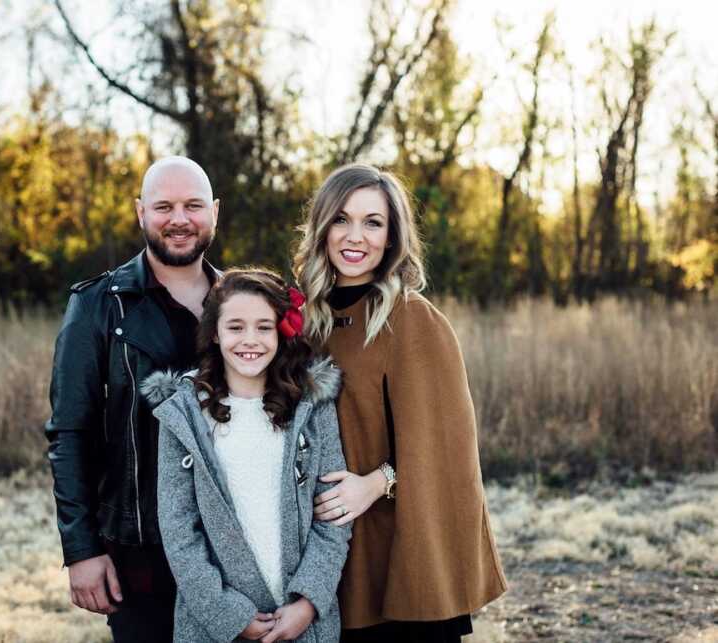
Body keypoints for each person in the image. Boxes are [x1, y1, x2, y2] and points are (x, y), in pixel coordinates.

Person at [292, 164, 507, 642]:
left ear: (391, 237)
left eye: (373, 222)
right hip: (327, 558)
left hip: (400, 558)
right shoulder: (304, 322)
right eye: (342, 219)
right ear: (322, 227)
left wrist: (377, 483)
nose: (355, 236)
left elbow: (448, 449)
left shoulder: (411, 319)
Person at [45, 156, 221, 642]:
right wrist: (81, 550)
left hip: (235, 546)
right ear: (141, 212)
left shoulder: (244, 304)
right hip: (142, 549)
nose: (179, 219)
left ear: (215, 213)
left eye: (193, 205)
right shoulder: (98, 305)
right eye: (164, 206)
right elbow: (69, 433)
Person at [140, 269, 352, 642]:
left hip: (303, 621)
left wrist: (308, 602)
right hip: (214, 624)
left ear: (281, 332)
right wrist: (228, 614)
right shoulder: (184, 415)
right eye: (236, 327)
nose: (249, 340)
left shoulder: (312, 408)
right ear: (216, 333)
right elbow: (179, 532)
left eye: (263, 327)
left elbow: (333, 518)